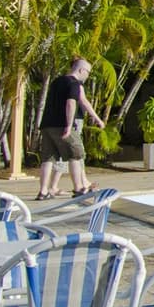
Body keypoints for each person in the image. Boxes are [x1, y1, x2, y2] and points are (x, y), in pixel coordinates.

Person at [37, 58, 104, 200]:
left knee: (48, 159)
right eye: (88, 72)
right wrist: (68, 125)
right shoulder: (74, 83)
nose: (88, 75)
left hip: (47, 125)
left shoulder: (57, 81)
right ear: (81, 70)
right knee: (76, 155)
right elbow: (71, 103)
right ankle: (78, 188)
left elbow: (83, 101)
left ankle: (43, 192)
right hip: (62, 125)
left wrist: (97, 118)